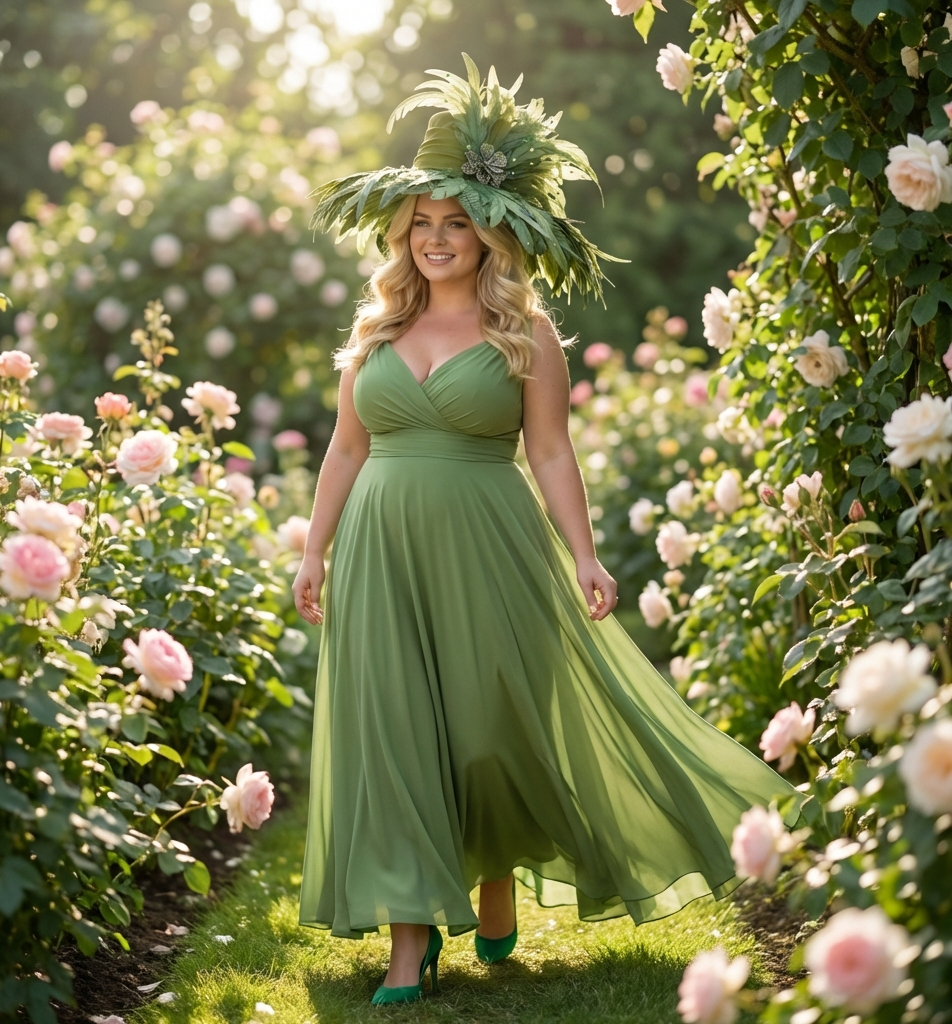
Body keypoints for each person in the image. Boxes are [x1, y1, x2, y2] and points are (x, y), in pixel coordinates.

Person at [292, 55, 797, 1006]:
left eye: (457, 224)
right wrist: (314, 549)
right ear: (401, 235)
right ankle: (409, 945)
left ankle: (490, 884)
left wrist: (586, 553)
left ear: (491, 236)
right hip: (380, 547)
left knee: (487, 733)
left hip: (491, 542)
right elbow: (345, 451)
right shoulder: (374, 334)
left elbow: (553, 454)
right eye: (421, 225)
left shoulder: (526, 335)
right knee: (395, 732)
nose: (436, 240)